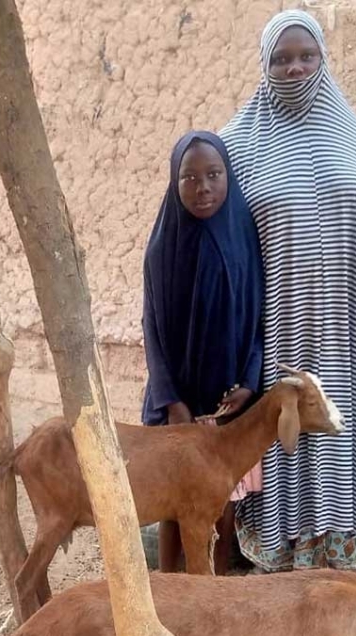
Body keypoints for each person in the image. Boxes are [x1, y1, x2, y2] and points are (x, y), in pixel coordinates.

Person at [219, 10, 356, 575]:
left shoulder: (354, 136)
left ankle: (336, 562)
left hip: (351, 333)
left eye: (306, 56)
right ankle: (278, 565)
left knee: (337, 430)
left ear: (323, 60)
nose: (295, 67)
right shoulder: (236, 145)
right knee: (283, 436)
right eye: (281, 58)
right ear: (264, 64)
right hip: (277, 330)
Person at [141, 130, 264, 574]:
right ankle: (170, 585)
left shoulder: (242, 238)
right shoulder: (163, 247)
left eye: (214, 175)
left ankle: (214, 584)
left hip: (226, 404)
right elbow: (151, 329)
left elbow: (257, 322)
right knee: (174, 501)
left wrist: (250, 383)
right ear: (175, 183)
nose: (203, 187)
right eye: (189, 178)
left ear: (228, 177)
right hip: (177, 406)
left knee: (222, 499)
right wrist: (171, 401)